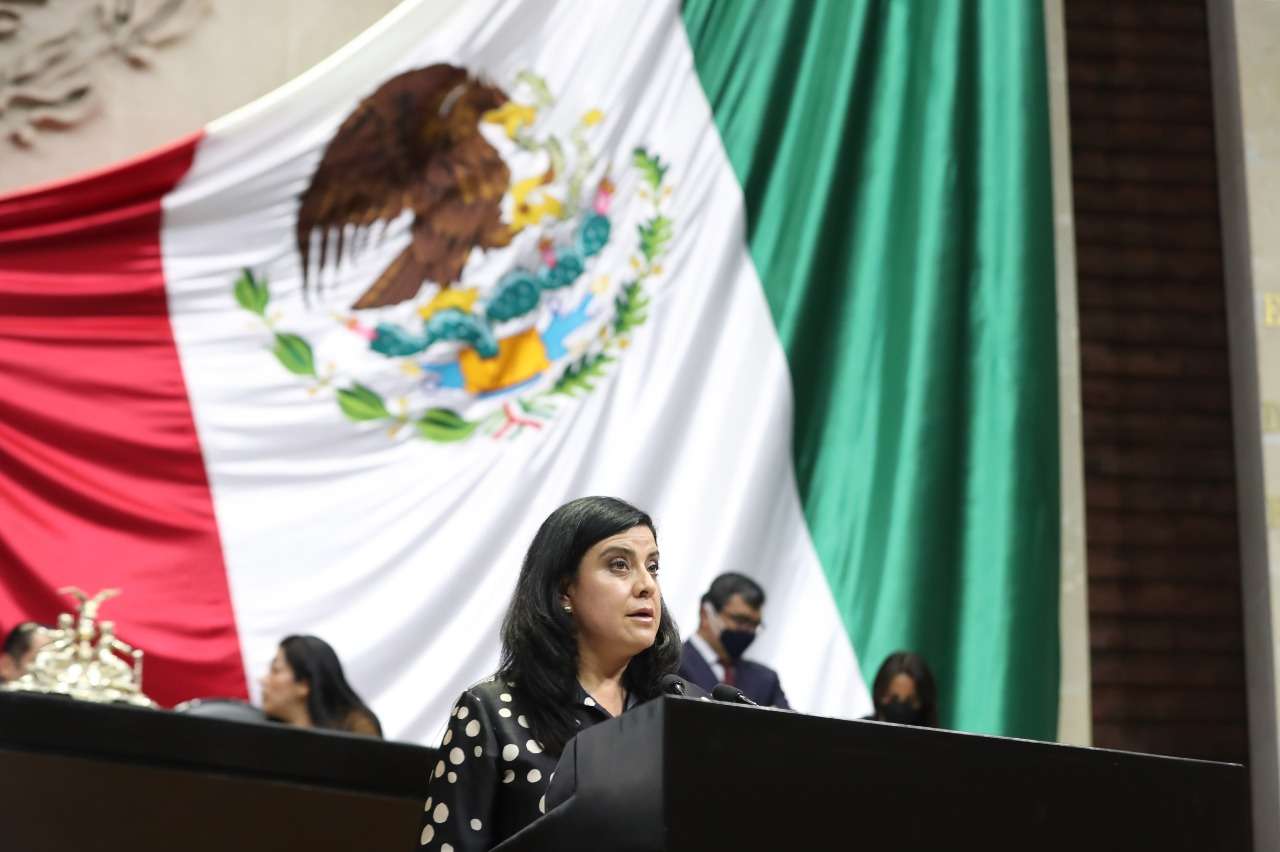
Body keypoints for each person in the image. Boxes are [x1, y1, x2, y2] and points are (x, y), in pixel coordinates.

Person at [417, 496, 681, 851]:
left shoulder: (675, 709)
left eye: (653, 566)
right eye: (619, 565)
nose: (646, 585)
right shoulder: (494, 712)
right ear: (563, 591)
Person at [677, 572, 789, 709]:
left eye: (754, 625)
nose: (748, 631)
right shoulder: (669, 664)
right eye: (741, 621)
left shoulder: (765, 680)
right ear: (705, 613)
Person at [258, 634, 382, 737]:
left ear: (303, 685)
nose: (263, 680)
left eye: (276, 670)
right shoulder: (259, 732)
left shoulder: (357, 729)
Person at [869, 650, 938, 727]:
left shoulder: (941, 738)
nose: (900, 709)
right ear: (879, 694)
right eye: (893, 698)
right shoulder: (857, 732)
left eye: (910, 700)